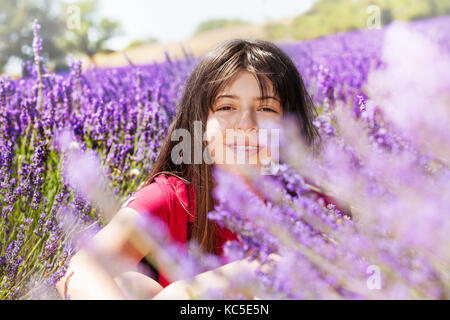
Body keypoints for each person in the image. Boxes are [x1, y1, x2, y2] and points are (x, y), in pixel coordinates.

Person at [55, 38, 322, 300]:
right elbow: (83, 269)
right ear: (200, 124)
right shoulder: (173, 198)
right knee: (131, 285)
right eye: (227, 107)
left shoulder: (312, 201)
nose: (246, 123)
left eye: (266, 108)